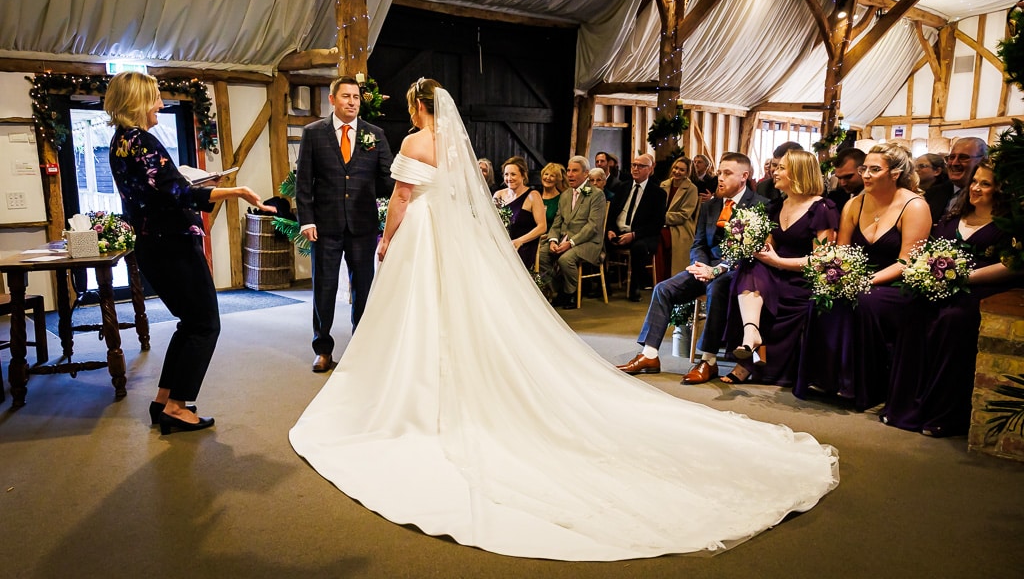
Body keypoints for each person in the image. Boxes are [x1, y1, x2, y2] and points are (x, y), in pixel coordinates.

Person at [290, 78, 838, 561]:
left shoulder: (412, 140)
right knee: (454, 310)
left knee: (416, 312)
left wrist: (388, 240)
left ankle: (413, 393)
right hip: (452, 240)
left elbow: (405, 196)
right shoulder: (454, 147)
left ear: (416, 106)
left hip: (422, 235)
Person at [105, 71, 273, 435]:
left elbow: (161, 190)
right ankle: (178, 407)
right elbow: (176, 194)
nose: (161, 105)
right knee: (205, 325)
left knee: (189, 323)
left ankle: (163, 400)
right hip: (173, 245)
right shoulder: (143, 141)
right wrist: (236, 191)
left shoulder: (119, 142)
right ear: (136, 102)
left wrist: (191, 183)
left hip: (154, 244)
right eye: (154, 99)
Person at [884, 161, 1017, 436]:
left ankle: (943, 413)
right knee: (913, 310)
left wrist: (963, 277)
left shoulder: (1009, 226)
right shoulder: (952, 218)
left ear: (1001, 191)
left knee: (951, 321)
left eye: (985, 184)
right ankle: (904, 407)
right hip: (941, 286)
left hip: (980, 289)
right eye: (975, 182)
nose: (976, 188)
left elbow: (1012, 265)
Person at [795, 142, 931, 411]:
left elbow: (907, 261)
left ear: (894, 174)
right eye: (864, 168)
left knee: (865, 301)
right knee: (822, 298)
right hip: (856, 277)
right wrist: (836, 276)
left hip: (897, 283)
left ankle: (860, 385)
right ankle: (825, 377)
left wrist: (867, 281)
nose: (866, 175)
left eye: (874, 169)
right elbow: (842, 252)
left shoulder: (914, 206)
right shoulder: (854, 204)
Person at [617, 153, 768, 384]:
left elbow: (752, 253)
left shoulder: (760, 206)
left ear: (744, 176)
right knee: (663, 289)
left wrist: (716, 271)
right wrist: (701, 265)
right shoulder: (711, 206)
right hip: (705, 266)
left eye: (727, 173)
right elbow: (698, 243)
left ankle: (708, 361)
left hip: (736, 271)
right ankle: (649, 355)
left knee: (716, 288)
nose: (720, 178)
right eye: (719, 172)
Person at [295, 75, 394, 373]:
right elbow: (304, 182)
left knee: (363, 289)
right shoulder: (314, 133)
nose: (352, 102)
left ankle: (360, 348)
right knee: (324, 288)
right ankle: (322, 349)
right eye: (346, 96)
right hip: (324, 226)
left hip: (362, 226)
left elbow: (388, 177)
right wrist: (306, 220)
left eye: (356, 97)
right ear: (332, 99)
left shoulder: (374, 134)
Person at [722, 149, 838, 385]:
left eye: (782, 167)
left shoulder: (822, 208)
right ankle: (751, 334)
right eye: (776, 166)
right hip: (771, 274)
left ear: (798, 172)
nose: (774, 171)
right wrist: (746, 242)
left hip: (800, 277)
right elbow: (768, 247)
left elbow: (821, 260)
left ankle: (749, 359)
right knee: (750, 266)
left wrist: (779, 262)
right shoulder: (776, 206)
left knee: (757, 285)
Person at [538, 155, 607, 309]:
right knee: (542, 254)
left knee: (565, 259)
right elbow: (557, 223)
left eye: (574, 171)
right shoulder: (565, 195)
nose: (569, 174)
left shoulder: (595, 194)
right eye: (568, 170)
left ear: (586, 174)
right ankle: (558, 290)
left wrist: (571, 243)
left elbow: (593, 226)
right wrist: (553, 241)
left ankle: (571, 294)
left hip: (588, 241)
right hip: (564, 239)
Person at [606, 153, 666, 302]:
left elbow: (656, 224)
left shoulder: (658, 193)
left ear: (650, 169)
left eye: (640, 166)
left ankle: (635, 287)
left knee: (638, 248)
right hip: (619, 231)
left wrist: (633, 235)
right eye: (634, 165)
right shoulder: (622, 187)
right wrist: (611, 230)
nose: (635, 168)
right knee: (598, 241)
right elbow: (612, 213)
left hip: (643, 235)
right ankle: (604, 285)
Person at [494, 156, 547, 268]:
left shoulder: (533, 196)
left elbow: (542, 227)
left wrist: (519, 241)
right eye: (506, 174)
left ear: (523, 175)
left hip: (522, 246)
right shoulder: (498, 195)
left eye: (513, 174)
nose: (509, 178)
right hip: (500, 244)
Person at [924, 137, 987, 223]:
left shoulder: (988, 197)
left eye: (963, 157)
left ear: (982, 160)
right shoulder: (932, 193)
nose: (954, 163)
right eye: (951, 157)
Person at [660, 156, 699, 278]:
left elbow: (684, 215)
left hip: (681, 227)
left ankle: (668, 277)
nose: (677, 172)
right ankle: (656, 276)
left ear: (687, 173)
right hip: (661, 223)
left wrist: (661, 218)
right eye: (676, 168)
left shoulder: (692, 189)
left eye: (682, 170)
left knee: (660, 237)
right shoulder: (664, 184)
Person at [824, 147, 865, 212]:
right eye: (839, 178)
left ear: (863, 170)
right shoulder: (834, 199)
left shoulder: (878, 198)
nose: (843, 183)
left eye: (848, 177)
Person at [539, 162, 568, 232]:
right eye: (546, 174)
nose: (548, 178)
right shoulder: (536, 195)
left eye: (552, 176)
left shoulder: (562, 199)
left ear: (557, 179)